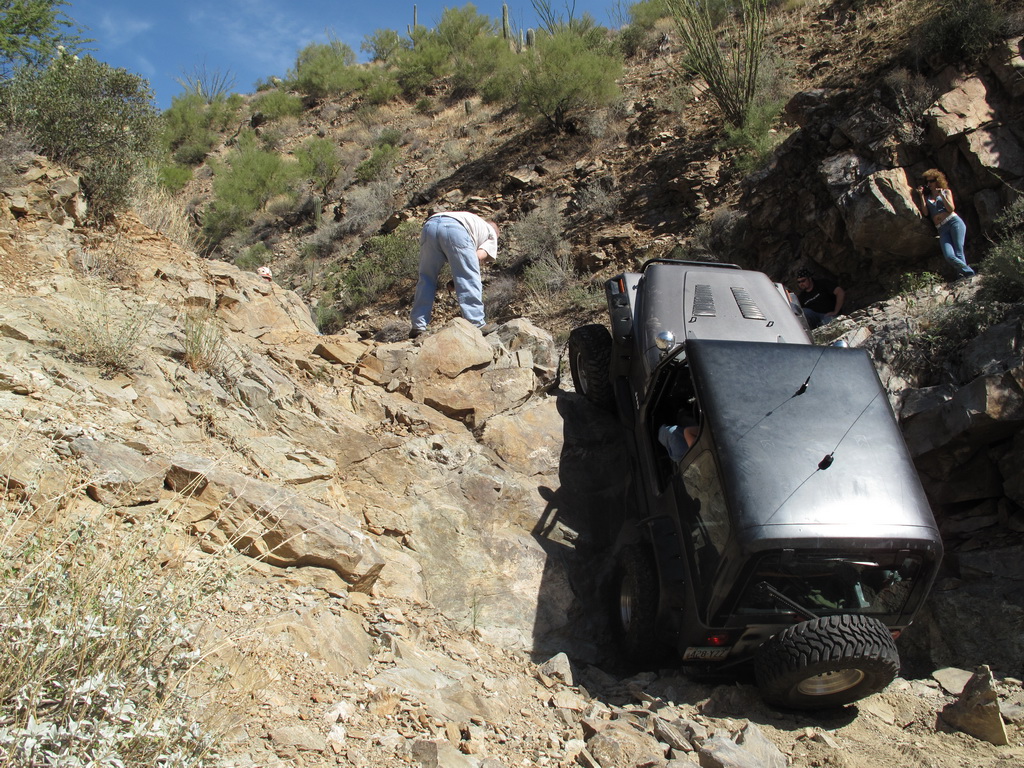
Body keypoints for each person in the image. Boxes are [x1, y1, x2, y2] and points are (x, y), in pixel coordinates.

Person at [410, 211, 499, 338]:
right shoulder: (492, 233)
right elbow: (476, 258)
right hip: (455, 229)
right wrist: (459, 279)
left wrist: (456, 280)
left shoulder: (474, 222)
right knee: (470, 277)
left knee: (426, 278)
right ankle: (476, 322)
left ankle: (418, 326)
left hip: (430, 226)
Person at [913, 168, 975, 280]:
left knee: (958, 251)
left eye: (931, 181)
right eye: (927, 182)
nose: (929, 184)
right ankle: (969, 272)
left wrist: (942, 196)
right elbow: (926, 213)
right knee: (949, 255)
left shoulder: (946, 192)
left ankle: (963, 276)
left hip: (954, 222)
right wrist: (921, 196)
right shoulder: (927, 197)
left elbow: (951, 209)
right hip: (941, 228)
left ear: (938, 181)